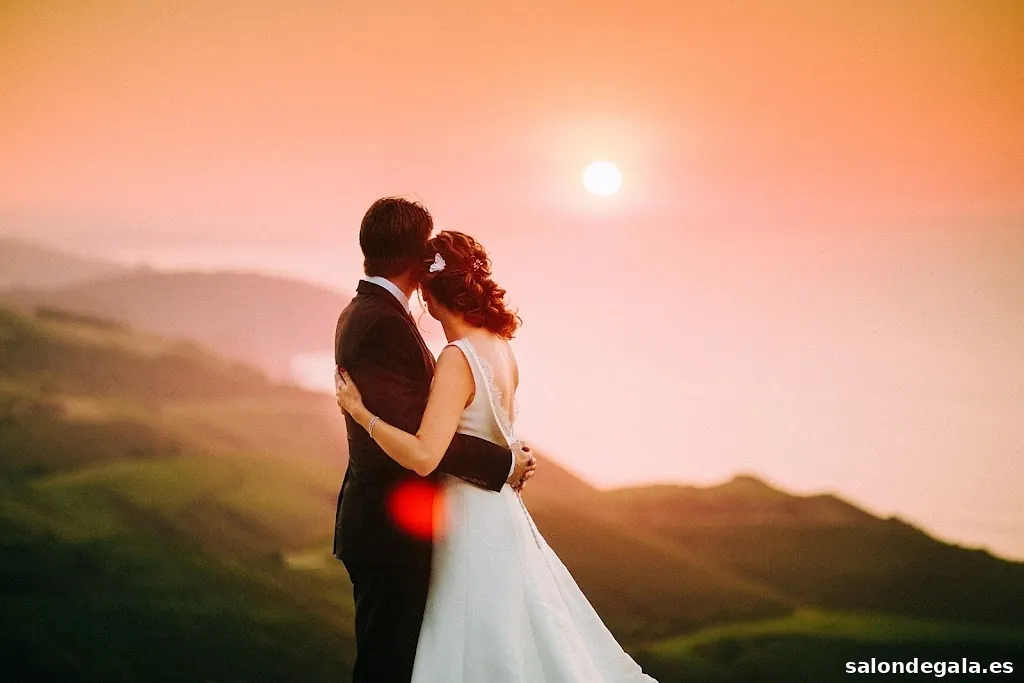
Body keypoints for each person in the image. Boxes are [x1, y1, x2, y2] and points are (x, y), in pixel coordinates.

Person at [335, 229, 658, 682]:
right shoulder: (501, 350)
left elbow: (426, 455)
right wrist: (510, 460)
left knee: (472, 639)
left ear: (428, 295)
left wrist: (360, 413)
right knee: (511, 634)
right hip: (501, 512)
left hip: (466, 516)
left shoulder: (456, 357)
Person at [332, 198, 537, 683]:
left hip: (425, 522)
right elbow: (423, 444)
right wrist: (503, 462)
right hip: (388, 532)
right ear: (415, 257)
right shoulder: (382, 322)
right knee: (389, 663)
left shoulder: (372, 312)